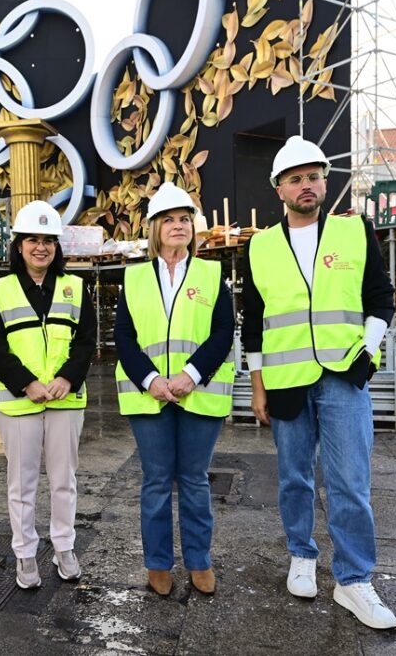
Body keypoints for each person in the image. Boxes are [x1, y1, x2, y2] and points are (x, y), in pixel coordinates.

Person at [241, 135, 396, 629]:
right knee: (294, 478)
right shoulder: (260, 246)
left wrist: (367, 355)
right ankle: (302, 555)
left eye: (314, 177)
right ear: (279, 189)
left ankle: (353, 580)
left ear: (324, 182)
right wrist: (258, 384)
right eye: (296, 179)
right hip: (287, 380)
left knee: (351, 480)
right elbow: (255, 319)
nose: (307, 186)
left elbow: (381, 298)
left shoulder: (354, 232)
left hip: (342, 375)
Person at [113, 182, 235, 597]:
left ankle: (199, 561)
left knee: (195, 479)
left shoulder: (211, 273)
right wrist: (152, 381)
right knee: (156, 480)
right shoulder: (133, 278)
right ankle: (158, 563)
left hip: (197, 392)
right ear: (155, 228)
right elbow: (124, 339)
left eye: (185, 219)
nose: (178, 226)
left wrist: (190, 376)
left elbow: (223, 333)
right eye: (169, 219)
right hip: (149, 395)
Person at [0, 200, 97, 590]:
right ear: (18, 245)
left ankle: (64, 547)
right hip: (19, 403)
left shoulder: (77, 287)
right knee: (22, 483)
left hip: (65, 399)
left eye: (48, 240)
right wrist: (26, 383)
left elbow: (86, 342)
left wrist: (67, 378)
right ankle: (26, 554)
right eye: (32, 239)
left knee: (64, 480)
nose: (41, 247)